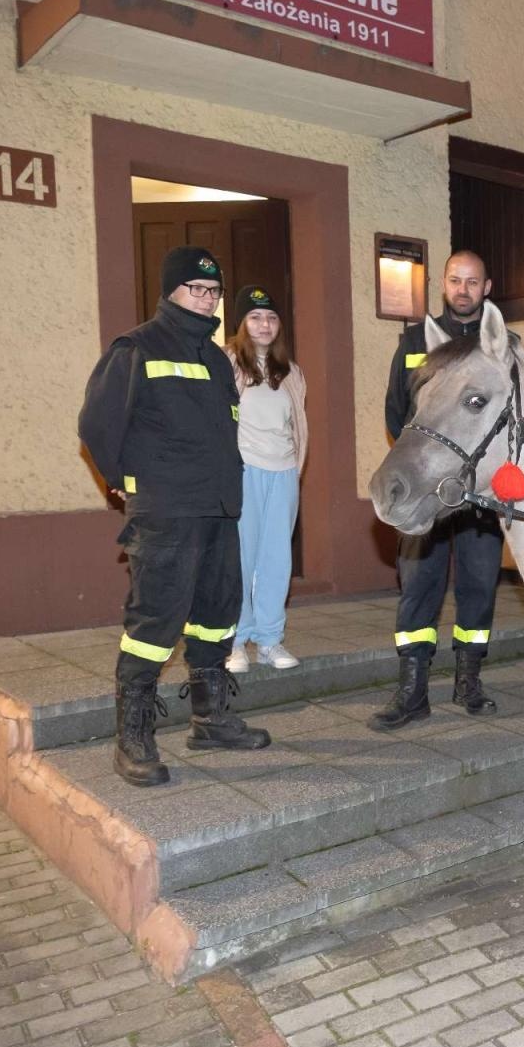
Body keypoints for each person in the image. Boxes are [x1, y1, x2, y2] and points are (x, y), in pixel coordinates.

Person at [79, 245, 271, 788]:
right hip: (165, 509)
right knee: (154, 622)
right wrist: (124, 479)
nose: (208, 300)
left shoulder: (215, 358)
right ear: (170, 291)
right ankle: (133, 736)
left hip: (217, 508)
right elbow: (96, 424)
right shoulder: (136, 347)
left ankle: (210, 719)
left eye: (214, 292)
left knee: (216, 615)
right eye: (197, 289)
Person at [373, 251, 505, 729]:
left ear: (486, 287)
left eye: (473, 281)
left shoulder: (500, 345)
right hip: (424, 491)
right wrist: (425, 465)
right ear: (442, 284)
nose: (463, 289)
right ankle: (412, 690)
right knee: (418, 587)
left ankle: (468, 679)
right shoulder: (414, 341)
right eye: (455, 280)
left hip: (478, 496)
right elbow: (396, 411)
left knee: (478, 588)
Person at [224, 285, 308, 673]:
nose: (264, 324)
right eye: (255, 317)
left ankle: (270, 640)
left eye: (271, 318)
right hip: (243, 471)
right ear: (241, 324)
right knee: (241, 558)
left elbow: (297, 428)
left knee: (277, 559)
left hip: (284, 472)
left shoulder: (292, 373)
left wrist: (294, 468)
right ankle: (237, 641)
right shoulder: (226, 365)